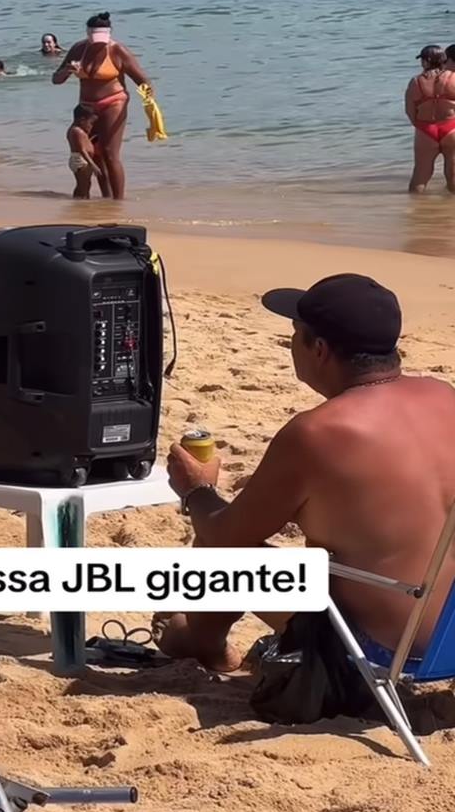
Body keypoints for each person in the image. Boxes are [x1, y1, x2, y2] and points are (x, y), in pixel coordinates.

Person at [155, 274, 455, 674]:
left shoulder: (318, 433)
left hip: (384, 651)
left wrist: (197, 488)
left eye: (294, 335)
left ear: (319, 349)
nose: (290, 345)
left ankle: (204, 646)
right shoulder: (444, 396)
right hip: (449, 642)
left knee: (221, 550)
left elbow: (227, 534)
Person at [52, 11, 152, 200]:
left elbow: (142, 80)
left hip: (113, 102)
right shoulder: (78, 50)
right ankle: (106, 199)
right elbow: (56, 80)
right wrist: (66, 70)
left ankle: (118, 200)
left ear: (109, 34)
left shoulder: (117, 50)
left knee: (109, 153)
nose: (99, 42)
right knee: (94, 154)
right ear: (88, 33)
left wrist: (150, 104)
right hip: (86, 108)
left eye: (102, 38)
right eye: (94, 38)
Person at [405, 45, 455, 194]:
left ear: (426, 62)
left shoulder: (416, 82)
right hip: (451, 128)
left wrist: (420, 126)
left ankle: (415, 210)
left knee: (420, 176)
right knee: (453, 174)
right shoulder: (453, 78)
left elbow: (409, 111)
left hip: (426, 130)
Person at [66, 103, 110, 199]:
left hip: (82, 160)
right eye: (90, 123)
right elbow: (82, 150)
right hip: (80, 160)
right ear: (82, 120)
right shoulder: (76, 131)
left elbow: (85, 144)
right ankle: (79, 201)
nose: (91, 126)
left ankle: (83, 200)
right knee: (83, 185)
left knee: (86, 184)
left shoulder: (79, 131)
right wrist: (93, 165)